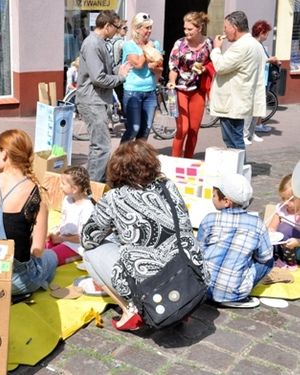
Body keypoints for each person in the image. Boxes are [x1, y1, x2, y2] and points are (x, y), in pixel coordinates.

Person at [81, 140, 207, 331]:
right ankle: (178, 302)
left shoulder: (114, 197)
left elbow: (88, 239)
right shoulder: (168, 186)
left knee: (89, 253)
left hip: (152, 285)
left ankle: (130, 310)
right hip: (191, 273)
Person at [0, 129, 58, 295]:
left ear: (4, 154)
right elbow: (37, 249)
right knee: (51, 256)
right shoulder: (37, 193)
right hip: (17, 282)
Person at [197, 173, 273, 307]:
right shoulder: (258, 224)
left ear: (226, 201)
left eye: (214, 195)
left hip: (202, 289)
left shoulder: (209, 219)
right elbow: (265, 257)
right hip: (234, 293)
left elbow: (199, 250)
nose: (212, 198)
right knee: (269, 261)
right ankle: (234, 297)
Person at [76, 10, 131, 183]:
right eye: (117, 26)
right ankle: (93, 186)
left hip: (97, 100)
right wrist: (121, 78)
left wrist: (118, 70)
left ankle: (92, 183)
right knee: (102, 147)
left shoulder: (99, 42)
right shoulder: (93, 44)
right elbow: (98, 78)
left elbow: (104, 71)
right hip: (92, 101)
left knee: (99, 146)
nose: (118, 30)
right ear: (107, 26)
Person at [209, 11, 265, 150]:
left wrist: (216, 49)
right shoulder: (254, 44)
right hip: (240, 99)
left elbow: (221, 66)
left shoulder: (242, 46)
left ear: (234, 27)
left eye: (226, 27)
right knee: (235, 140)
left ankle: (239, 164)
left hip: (233, 101)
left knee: (233, 141)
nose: (224, 31)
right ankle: (239, 163)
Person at [167, 12, 213, 158]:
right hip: (180, 89)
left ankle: (188, 160)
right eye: (185, 29)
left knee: (194, 129)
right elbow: (173, 66)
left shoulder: (208, 43)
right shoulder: (179, 44)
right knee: (183, 128)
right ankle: (175, 160)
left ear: (199, 28)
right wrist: (172, 81)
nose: (186, 32)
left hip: (198, 90)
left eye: (190, 29)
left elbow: (214, 63)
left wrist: (205, 69)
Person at [120, 12, 163, 144]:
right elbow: (138, 64)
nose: (149, 31)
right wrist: (147, 49)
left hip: (150, 91)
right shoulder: (129, 45)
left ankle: (138, 155)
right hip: (133, 91)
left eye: (150, 27)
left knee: (145, 130)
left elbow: (160, 68)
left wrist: (154, 68)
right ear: (137, 28)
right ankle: (121, 154)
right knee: (134, 129)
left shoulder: (156, 44)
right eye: (146, 28)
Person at [243, 20, 282, 145]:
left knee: (256, 109)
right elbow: (257, 60)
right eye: (267, 33)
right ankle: (245, 135)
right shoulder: (253, 44)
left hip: (260, 80)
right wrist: (272, 60)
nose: (267, 36)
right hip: (253, 81)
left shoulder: (259, 45)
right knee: (250, 110)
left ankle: (251, 133)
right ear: (262, 32)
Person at [46, 166, 95, 266]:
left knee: (48, 258)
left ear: (75, 189)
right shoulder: (67, 199)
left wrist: (62, 239)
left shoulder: (87, 208)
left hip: (75, 246)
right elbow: (64, 220)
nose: (60, 186)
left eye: (63, 184)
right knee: (38, 249)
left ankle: (78, 256)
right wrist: (57, 232)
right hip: (63, 238)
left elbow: (83, 238)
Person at [267, 174, 300, 269]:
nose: (286, 202)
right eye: (283, 198)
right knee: (271, 237)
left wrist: (297, 242)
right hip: (283, 247)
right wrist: (270, 232)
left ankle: (290, 263)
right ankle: (276, 259)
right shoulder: (281, 209)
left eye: (291, 200)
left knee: (285, 228)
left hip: (297, 248)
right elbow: (272, 227)